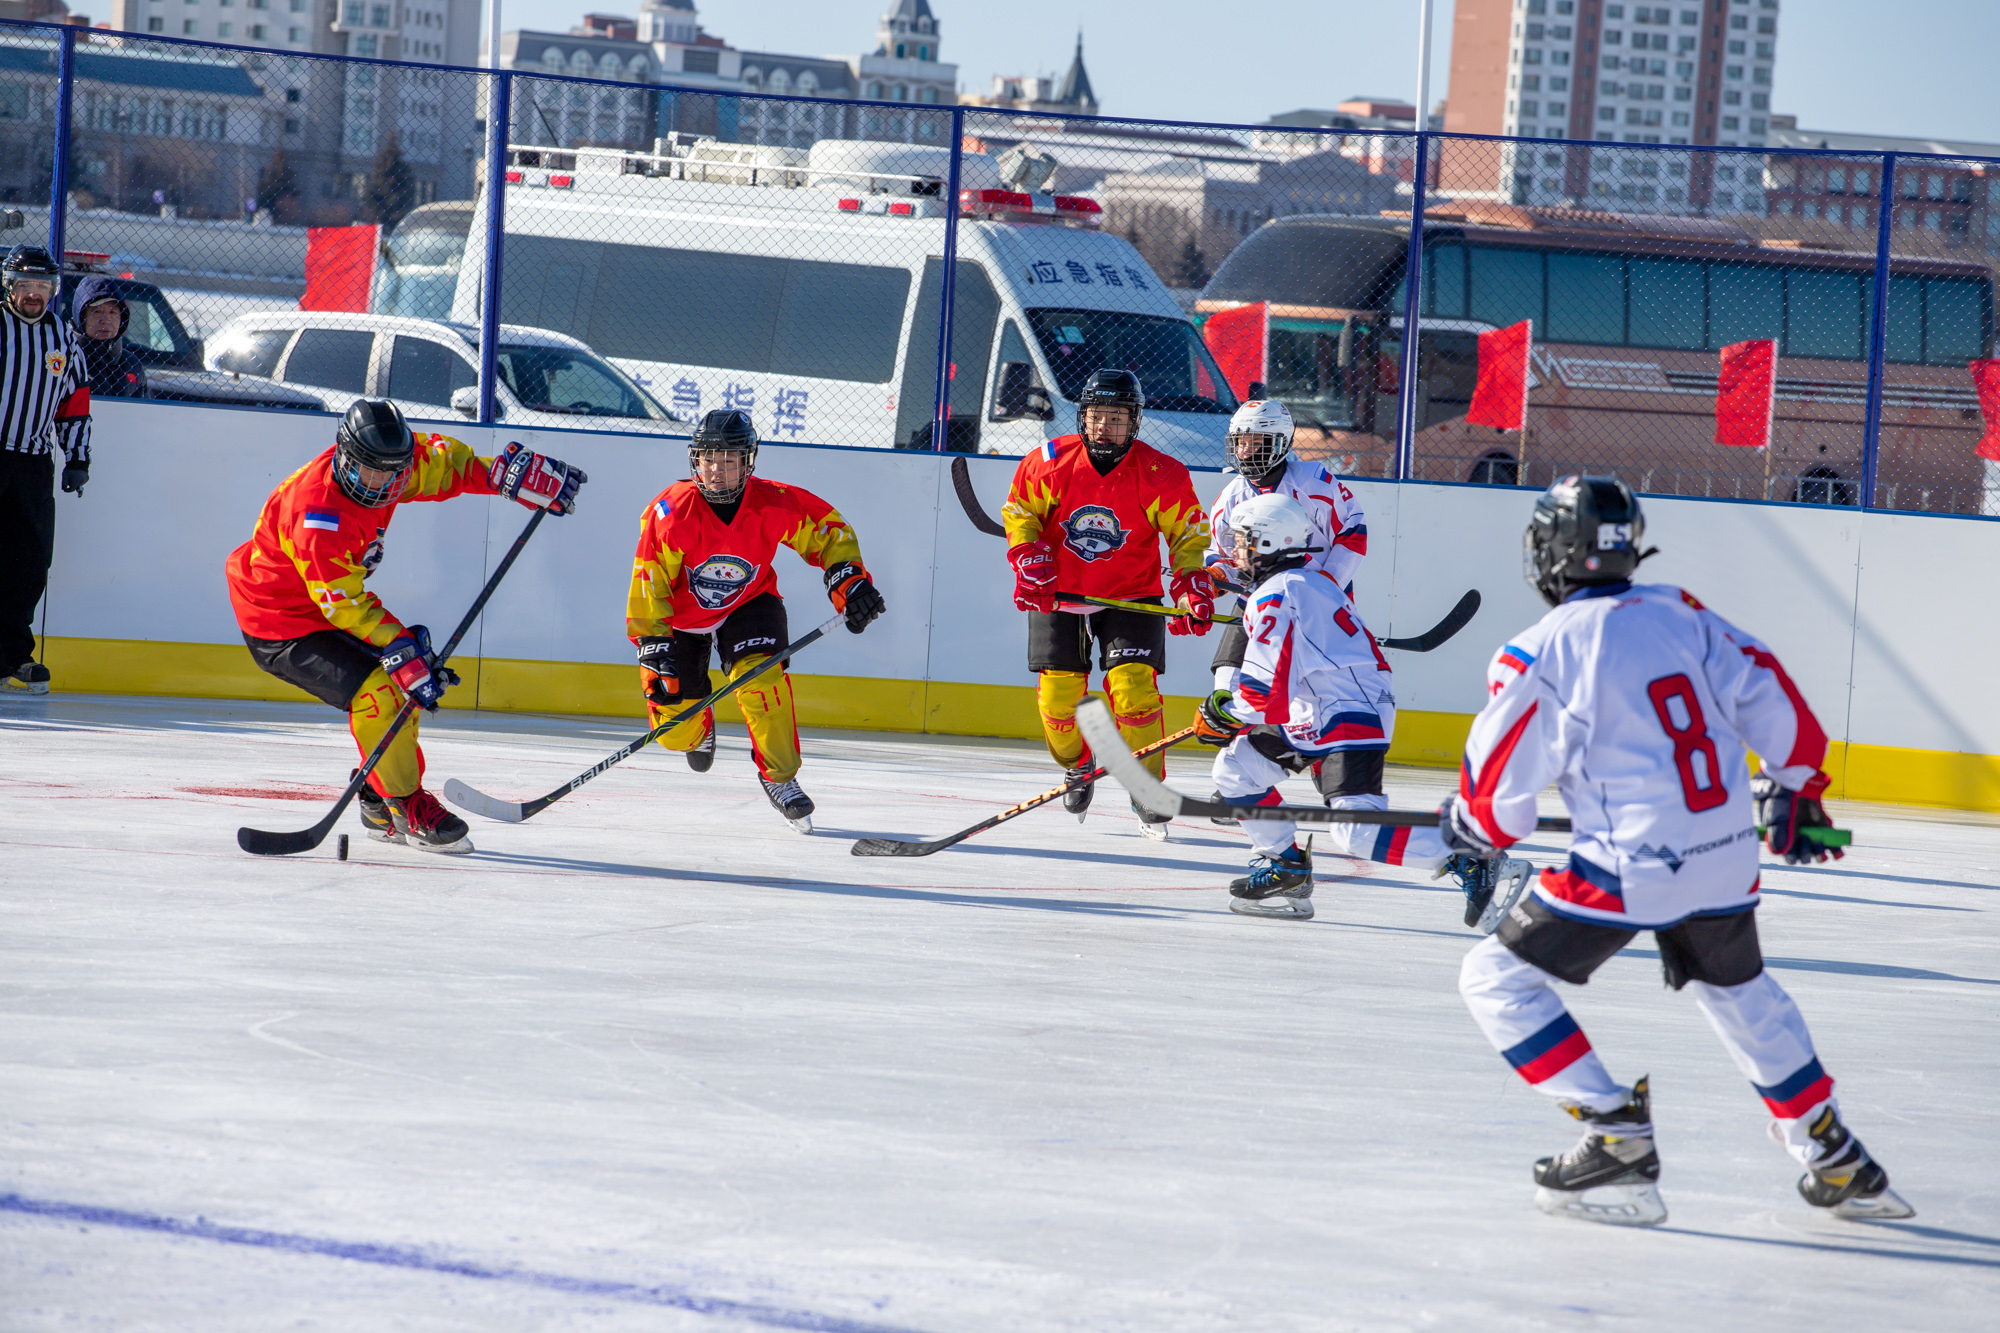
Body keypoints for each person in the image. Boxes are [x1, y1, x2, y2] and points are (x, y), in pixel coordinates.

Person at [1440, 475, 1911, 1227]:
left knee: (1494, 979)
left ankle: (1615, 1136)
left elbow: (1501, 801)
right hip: (1723, 849)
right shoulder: (1680, 611)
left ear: (1554, 552)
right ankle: (1836, 1155)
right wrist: (1797, 786)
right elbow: (1767, 688)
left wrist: (1468, 824)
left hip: (1631, 865)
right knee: (1742, 993)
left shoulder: (1539, 651)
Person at [225, 399, 584, 852]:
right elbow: (343, 603)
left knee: (406, 680)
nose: (386, 484)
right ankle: (404, 804)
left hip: (325, 606)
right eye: (373, 472)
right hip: (280, 621)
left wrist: (501, 476)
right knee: (381, 688)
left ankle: (376, 795)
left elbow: (445, 467)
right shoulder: (318, 514)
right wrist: (399, 646)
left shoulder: (391, 468)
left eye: (396, 472)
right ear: (345, 456)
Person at [1193, 493, 1526, 921]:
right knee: (1236, 770)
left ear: (1269, 543)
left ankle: (1467, 854)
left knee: (1357, 833)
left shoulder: (1274, 597)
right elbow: (1284, 680)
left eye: (1242, 541)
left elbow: (1263, 696)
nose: (1235, 551)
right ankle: (1286, 866)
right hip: (1320, 710)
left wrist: (1224, 712)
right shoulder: (1310, 582)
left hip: (1349, 714)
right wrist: (1229, 707)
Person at [627, 408, 884, 834]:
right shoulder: (671, 512)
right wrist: (652, 644)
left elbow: (828, 531)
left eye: (729, 461)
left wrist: (849, 580)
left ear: (748, 463)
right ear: (696, 461)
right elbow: (649, 581)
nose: (717, 471)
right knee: (675, 728)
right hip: (682, 618)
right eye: (709, 460)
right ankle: (697, 731)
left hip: (749, 602)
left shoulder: (773, 502)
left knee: (760, 679)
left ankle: (778, 777)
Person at [1001, 368, 1212, 839]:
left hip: (1132, 596)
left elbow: (1188, 539)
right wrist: (1027, 555)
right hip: (1060, 592)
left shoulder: (1162, 473)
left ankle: (1147, 786)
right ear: (1082, 417)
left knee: (1134, 695)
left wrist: (1190, 583)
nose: (1104, 428)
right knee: (1059, 705)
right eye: (1097, 416)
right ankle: (1078, 765)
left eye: (1116, 418)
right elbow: (1020, 512)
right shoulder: (1049, 461)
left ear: (1135, 422)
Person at [1201, 397, 1367, 826]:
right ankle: (1238, 783)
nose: (1244, 452)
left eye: (1254, 442)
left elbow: (1354, 531)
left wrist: (1326, 588)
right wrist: (1208, 588)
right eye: (1239, 442)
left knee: (1311, 701)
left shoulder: (1316, 480)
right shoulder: (1230, 497)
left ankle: (1329, 776)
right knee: (1229, 677)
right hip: (1260, 604)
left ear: (1278, 443)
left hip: (1316, 608)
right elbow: (1219, 559)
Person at [0, 245, 92, 696]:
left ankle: (12, 655)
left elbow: (74, 402)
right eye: (26, 286)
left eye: (43, 287)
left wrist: (77, 458)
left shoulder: (63, 335)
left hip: (33, 463)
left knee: (28, 563)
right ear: (8, 286)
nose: (34, 295)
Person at [71, 275, 148, 400]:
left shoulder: (132, 364)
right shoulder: (66, 359)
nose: (105, 320)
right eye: (97, 312)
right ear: (81, 317)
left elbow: (143, 415)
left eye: (113, 312)